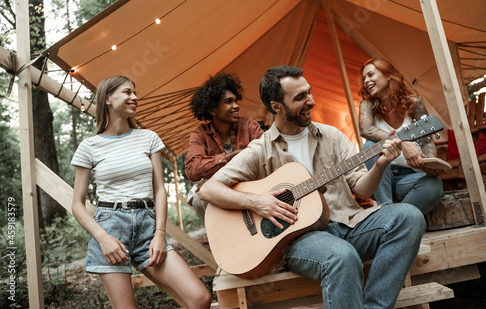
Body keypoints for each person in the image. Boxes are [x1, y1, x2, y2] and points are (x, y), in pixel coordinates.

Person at [199, 65, 426, 308]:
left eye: (309, 92)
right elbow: (208, 189)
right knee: (342, 256)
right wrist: (258, 202)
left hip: (350, 224)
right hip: (302, 239)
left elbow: (362, 190)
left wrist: (380, 165)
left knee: (410, 217)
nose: (311, 101)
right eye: (300, 97)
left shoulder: (333, 136)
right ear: (277, 106)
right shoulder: (261, 149)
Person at [71, 76, 212, 309]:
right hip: (110, 228)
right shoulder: (89, 146)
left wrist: (159, 234)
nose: (134, 97)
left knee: (200, 298)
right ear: (107, 98)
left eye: (135, 93)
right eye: (127, 92)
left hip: (148, 227)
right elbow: (77, 204)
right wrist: (104, 239)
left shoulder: (148, 138)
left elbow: (159, 190)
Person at [359, 58, 444, 214]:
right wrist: (402, 143)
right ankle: (388, 207)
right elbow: (365, 130)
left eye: (370, 75)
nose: (366, 81)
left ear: (388, 75)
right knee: (370, 146)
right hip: (379, 177)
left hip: (409, 176)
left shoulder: (414, 103)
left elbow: (427, 142)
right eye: (364, 78)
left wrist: (428, 161)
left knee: (434, 186)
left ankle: (392, 216)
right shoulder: (367, 105)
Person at [185, 72, 263, 220]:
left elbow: (264, 154)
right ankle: (222, 238)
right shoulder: (200, 134)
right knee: (198, 197)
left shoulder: (249, 125)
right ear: (212, 109)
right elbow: (192, 169)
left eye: (236, 101)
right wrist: (230, 156)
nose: (236, 106)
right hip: (219, 188)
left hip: (249, 183)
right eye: (229, 102)